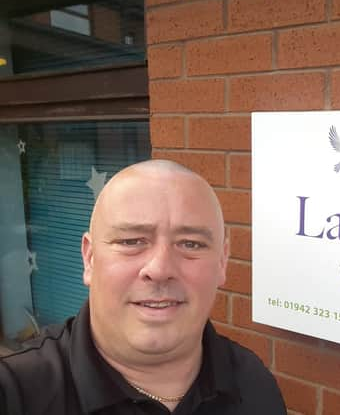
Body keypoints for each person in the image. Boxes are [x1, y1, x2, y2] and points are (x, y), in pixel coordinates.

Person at [0, 160, 286, 415]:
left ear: (222, 261)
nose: (160, 270)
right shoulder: (15, 394)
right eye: (131, 241)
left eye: (190, 244)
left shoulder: (252, 382)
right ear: (89, 258)